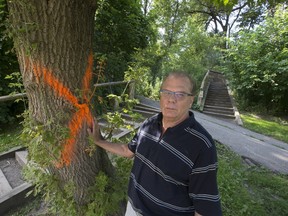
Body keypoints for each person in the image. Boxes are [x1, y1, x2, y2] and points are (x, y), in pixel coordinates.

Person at [88, 71, 222, 216]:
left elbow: (205, 207)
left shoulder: (202, 145)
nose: (171, 99)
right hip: (133, 209)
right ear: (160, 95)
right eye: (167, 92)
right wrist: (98, 141)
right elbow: (127, 150)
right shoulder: (149, 124)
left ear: (191, 100)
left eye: (180, 94)